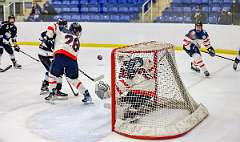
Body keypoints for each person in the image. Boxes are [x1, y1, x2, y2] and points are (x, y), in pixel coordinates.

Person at [45, 22, 92, 104]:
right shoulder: (77, 40)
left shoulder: (62, 31)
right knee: (73, 79)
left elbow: (52, 25)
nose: (78, 33)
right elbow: (73, 53)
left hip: (60, 56)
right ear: (75, 31)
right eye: (78, 31)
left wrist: (49, 37)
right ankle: (86, 94)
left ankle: (52, 93)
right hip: (72, 60)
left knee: (52, 75)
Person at [38, 19, 68, 100]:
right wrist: (47, 39)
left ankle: (45, 85)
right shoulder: (53, 30)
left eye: (65, 25)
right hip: (45, 54)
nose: (64, 27)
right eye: (63, 25)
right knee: (57, 72)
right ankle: (56, 90)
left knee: (51, 70)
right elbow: (42, 36)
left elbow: (41, 37)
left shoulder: (60, 34)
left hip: (44, 54)